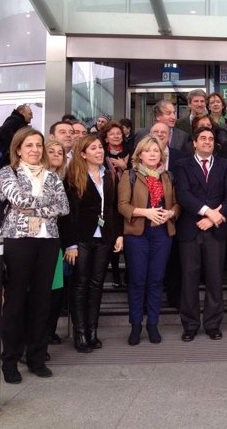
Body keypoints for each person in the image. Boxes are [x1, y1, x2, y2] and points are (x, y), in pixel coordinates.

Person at [0, 127, 69, 383]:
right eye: (29, 145)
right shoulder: (8, 172)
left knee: (42, 301)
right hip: (18, 241)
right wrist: (43, 206)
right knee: (15, 301)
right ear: (18, 149)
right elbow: (16, 199)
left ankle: (37, 357)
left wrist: (34, 209)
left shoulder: (51, 175)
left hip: (48, 241)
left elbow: (64, 206)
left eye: (38, 145)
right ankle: (10, 360)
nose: (35, 150)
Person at [174, 126, 227, 342]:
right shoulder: (182, 165)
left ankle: (213, 324)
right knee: (189, 279)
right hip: (190, 230)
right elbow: (183, 194)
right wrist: (208, 212)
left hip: (215, 231)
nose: (207, 142)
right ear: (194, 142)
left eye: (211, 139)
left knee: (214, 279)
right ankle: (190, 325)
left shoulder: (225, 165)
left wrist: (213, 219)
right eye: (203, 138)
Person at [61, 135, 123, 353]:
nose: (99, 151)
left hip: (104, 237)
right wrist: (70, 244)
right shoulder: (73, 176)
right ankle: (80, 334)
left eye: (100, 147)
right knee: (80, 285)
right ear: (83, 153)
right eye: (93, 148)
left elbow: (113, 209)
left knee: (96, 285)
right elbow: (68, 214)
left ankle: (92, 330)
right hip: (81, 238)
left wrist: (118, 235)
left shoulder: (108, 176)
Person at [118, 135, 180, 345]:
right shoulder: (130, 175)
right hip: (137, 234)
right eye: (148, 150)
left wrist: (171, 214)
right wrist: (145, 212)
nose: (153, 154)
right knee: (137, 280)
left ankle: (153, 324)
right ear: (140, 154)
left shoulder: (168, 176)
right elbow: (122, 206)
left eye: (156, 151)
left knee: (155, 281)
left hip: (162, 234)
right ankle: (136, 325)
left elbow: (177, 205)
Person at [100, 121, 130, 288]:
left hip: (127, 199)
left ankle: (126, 275)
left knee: (125, 235)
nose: (116, 136)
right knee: (112, 235)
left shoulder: (130, 152)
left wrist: (124, 166)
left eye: (118, 133)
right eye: (112, 134)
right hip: (109, 201)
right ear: (106, 138)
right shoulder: (101, 154)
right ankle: (115, 274)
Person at [44, 140, 68, 345]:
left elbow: (67, 211)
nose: (56, 155)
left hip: (59, 240)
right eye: (50, 151)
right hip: (36, 240)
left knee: (56, 290)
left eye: (60, 152)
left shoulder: (66, 179)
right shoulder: (38, 178)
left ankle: (49, 331)